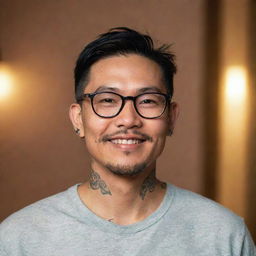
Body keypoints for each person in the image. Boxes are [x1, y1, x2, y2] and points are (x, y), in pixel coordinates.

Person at [0, 27, 255, 256]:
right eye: (108, 100)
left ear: (171, 117)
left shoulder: (223, 234)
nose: (128, 119)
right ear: (78, 119)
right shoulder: (20, 238)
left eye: (147, 101)